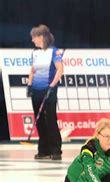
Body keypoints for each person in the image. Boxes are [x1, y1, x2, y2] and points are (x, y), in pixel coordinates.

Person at [27, 24, 64, 160]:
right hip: (36, 90)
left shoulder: (54, 52)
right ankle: (44, 150)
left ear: (41, 37)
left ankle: (56, 150)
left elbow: (60, 70)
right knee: (39, 120)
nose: (32, 40)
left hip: (49, 90)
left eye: (34, 37)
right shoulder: (35, 53)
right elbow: (32, 70)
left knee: (51, 119)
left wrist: (52, 86)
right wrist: (30, 85)